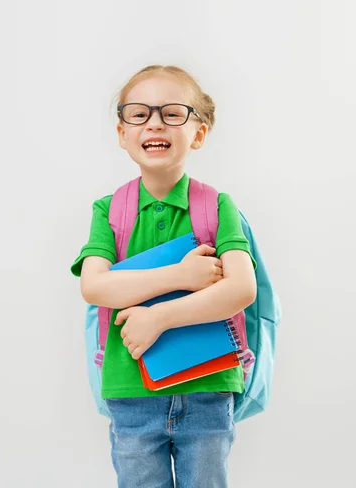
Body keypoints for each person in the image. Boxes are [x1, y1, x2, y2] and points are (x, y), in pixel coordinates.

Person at [70, 64, 257, 488]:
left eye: (173, 112)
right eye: (139, 113)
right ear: (122, 133)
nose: (155, 121)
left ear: (199, 132)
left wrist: (160, 317)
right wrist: (180, 275)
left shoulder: (217, 206)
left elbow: (241, 289)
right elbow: (95, 286)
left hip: (208, 383)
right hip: (130, 392)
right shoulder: (109, 211)